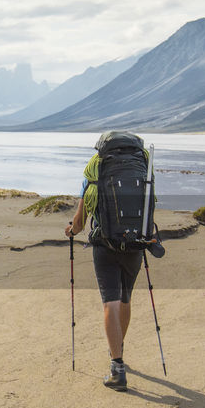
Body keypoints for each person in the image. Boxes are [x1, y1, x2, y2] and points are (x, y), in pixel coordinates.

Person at [63, 133, 152, 392]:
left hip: (105, 245)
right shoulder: (144, 164)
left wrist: (72, 229)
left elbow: (80, 221)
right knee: (125, 299)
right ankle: (118, 349)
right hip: (135, 245)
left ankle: (117, 367)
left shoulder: (95, 166)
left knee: (110, 302)